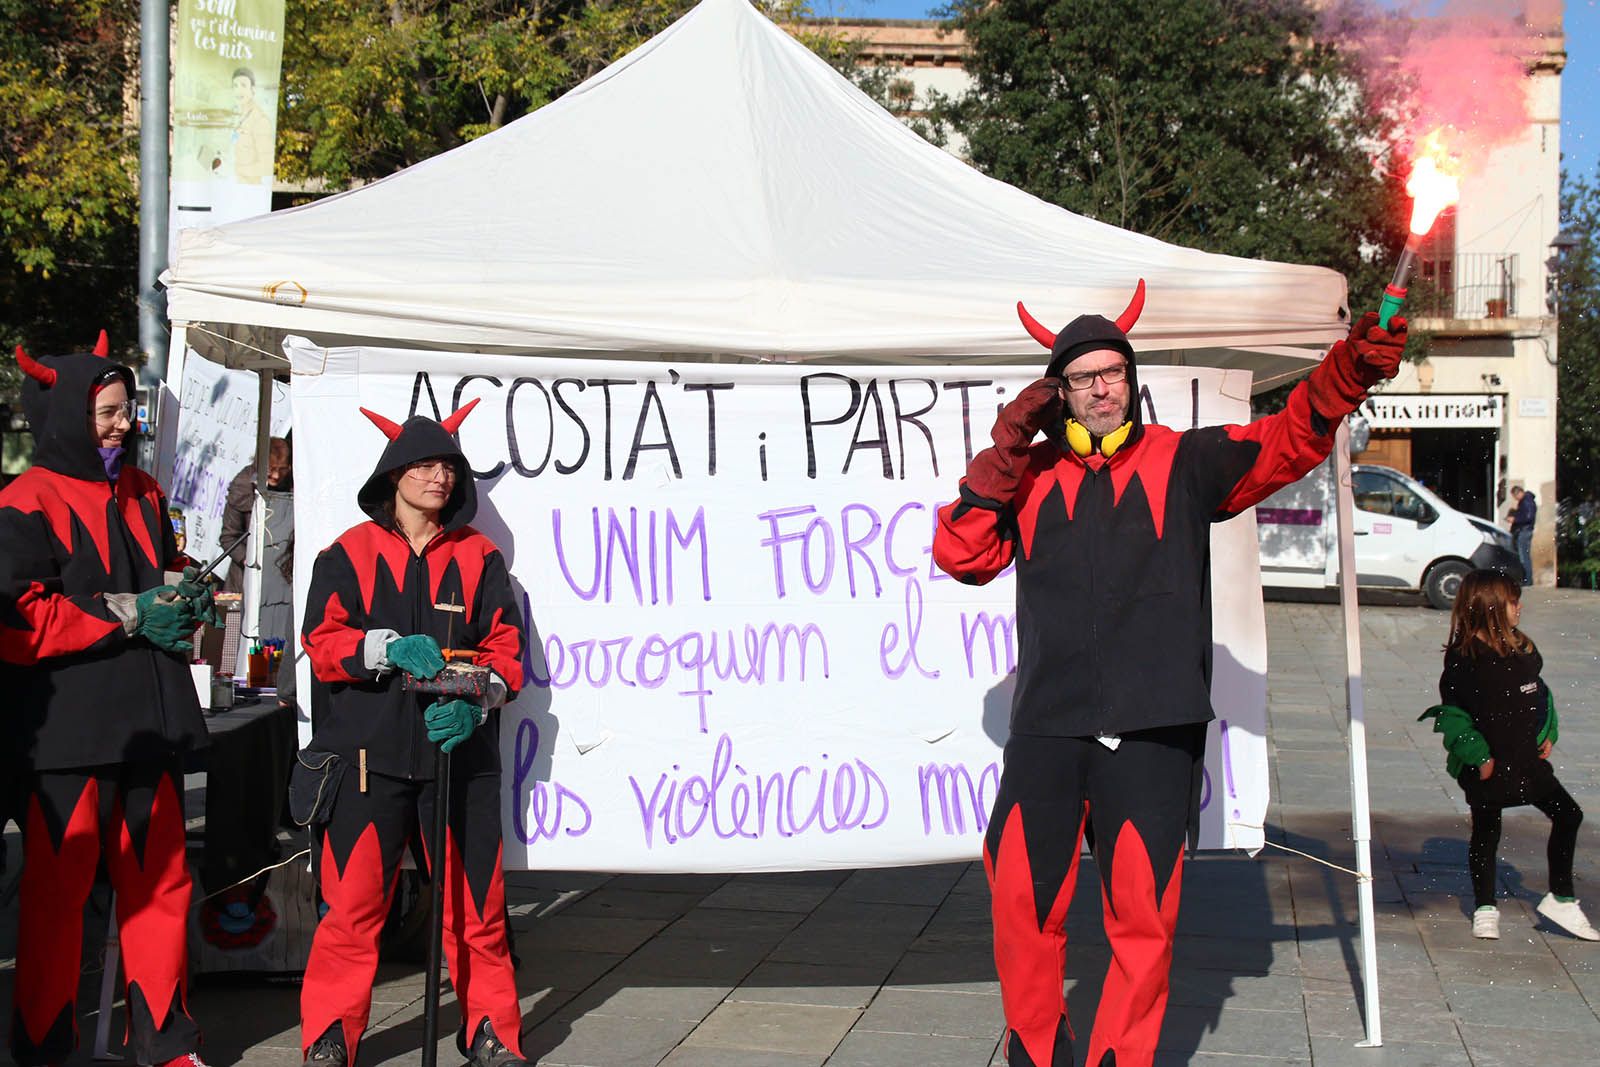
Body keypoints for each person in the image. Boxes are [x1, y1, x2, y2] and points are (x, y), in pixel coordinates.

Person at [931, 284, 1407, 1067]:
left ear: (1131, 378)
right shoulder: (1030, 475)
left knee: (1142, 920)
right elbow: (960, 552)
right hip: (1048, 730)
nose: (1101, 386)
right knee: (1020, 903)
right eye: (1082, 376)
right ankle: (1036, 1054)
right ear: (1059, 394)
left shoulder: (1184, 460)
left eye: (1112, 370)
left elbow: (1289, 438)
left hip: (1154, 731)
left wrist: (1352, 367)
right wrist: (1008, 447)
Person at [0, 337, 216, 1067]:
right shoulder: (21, 501)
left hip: (150, 723)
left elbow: (168, 571)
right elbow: (17, 620)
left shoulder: (145, 492)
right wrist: (130, 610)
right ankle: (42, 1049)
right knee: (56, 904)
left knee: (163, 890)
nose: (124, 424)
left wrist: (189, 599)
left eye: (127, 411)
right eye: (108, 413)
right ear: (67, 413)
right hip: (66, 733)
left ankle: (168, 1047)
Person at [296, 400, 527, 1067]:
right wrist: (385, 648)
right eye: (424, 464)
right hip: (366, 763)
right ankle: (328, 1037)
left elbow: (506, 653)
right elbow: (321, 641)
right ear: (393, 473)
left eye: (448, 466)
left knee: (477, 910)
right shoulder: (346, 552)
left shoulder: (481, 559)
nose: (439, 477)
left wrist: (476, 700)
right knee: (351, 911)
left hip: (460, 759)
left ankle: (491, 1031)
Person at [1420, 569, 1596, 942]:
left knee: (1569, 815)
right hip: (1490, 765)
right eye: (1514, 602)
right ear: (1491, 607)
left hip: (1528, 761)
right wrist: (1479, 757)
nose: (1521, 607)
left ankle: (1561, 898)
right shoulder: (1464, 660)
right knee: (1486, 831)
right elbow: (1452, 715)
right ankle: (1485, 906)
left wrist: (1549, 731)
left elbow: (1541, 694)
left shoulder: (1524, 649)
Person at [230, 67, 272, 185]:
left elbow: (266, 166)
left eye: (243, 85)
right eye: (235, 86)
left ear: (253, 90)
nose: (239, 91)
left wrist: (237, 170)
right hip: (232, 188)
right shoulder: (237, 117)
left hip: (249, 191)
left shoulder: (260, 121)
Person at [1505, 485, 1536, 586]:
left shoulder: (1527, 501)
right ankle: (1526, 579)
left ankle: (1528, 580)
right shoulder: (1525, 501)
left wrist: (1515, 519)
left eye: (1514, 496)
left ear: (1518, 493)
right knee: (1523, 555)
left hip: (1525, 531)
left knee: (1524, 556)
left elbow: (1529, 517)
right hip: (1524, 530)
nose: (1515, 498)